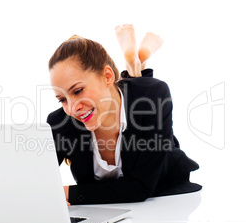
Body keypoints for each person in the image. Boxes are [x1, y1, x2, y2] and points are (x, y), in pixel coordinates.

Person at [47, 25, 201, 205]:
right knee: (136, 91)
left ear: (107, 76)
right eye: (62, 99)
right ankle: (135, 65)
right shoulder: (60, 123)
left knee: (143, 95)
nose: (72, 109)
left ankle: (136, 67)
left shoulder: (155, 95)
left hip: (165, 196)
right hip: (104, 214)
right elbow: (37, 182)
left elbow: (140, 187)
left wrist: (69, 194)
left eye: (78, 91)